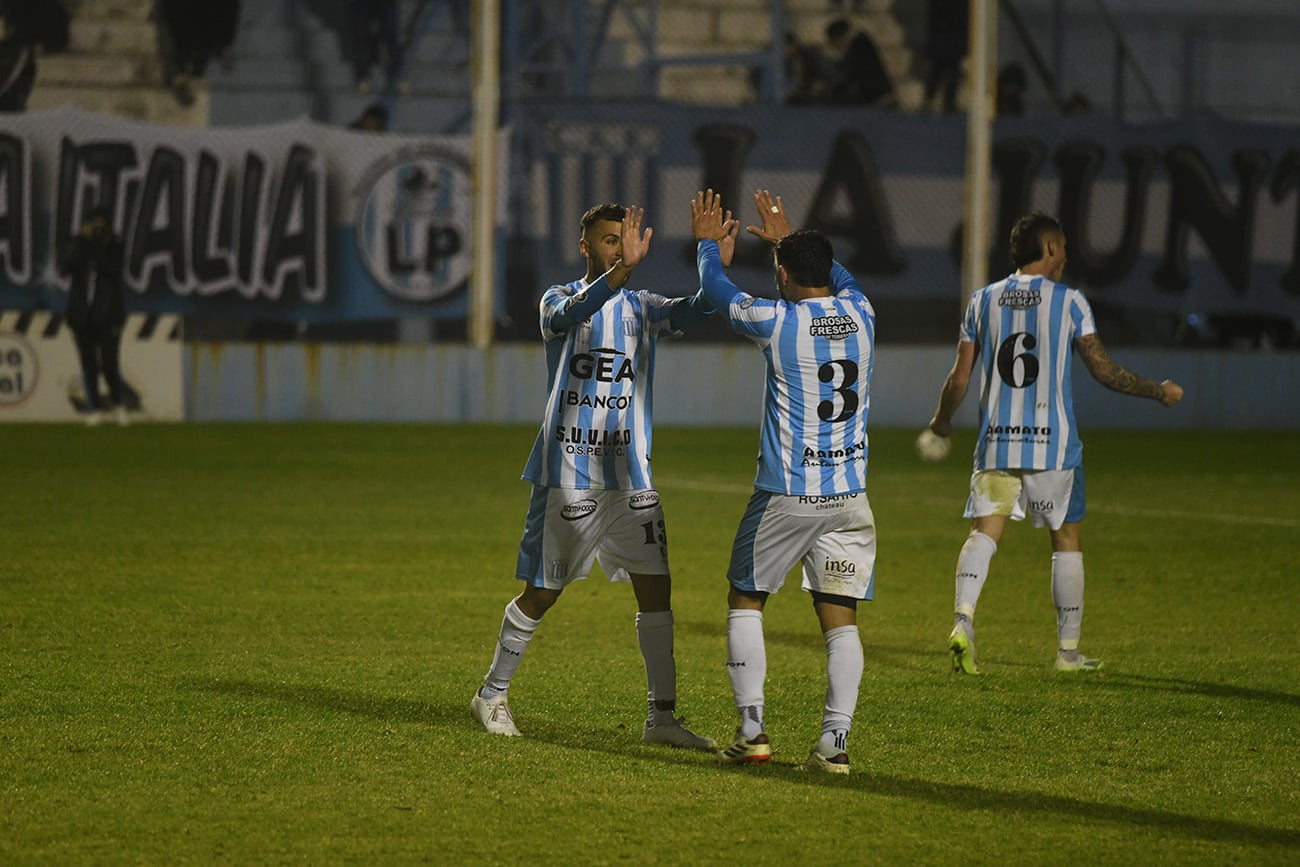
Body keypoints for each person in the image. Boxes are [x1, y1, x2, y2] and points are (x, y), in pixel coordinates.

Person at [470, 202, 723, 752]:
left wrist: (714, 264)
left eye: (622, 239)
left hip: (630, 476)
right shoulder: (558, 301)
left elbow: (698, 310)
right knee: (543, 590)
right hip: (571, 472)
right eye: (607, 240)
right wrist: (619, 274)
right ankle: (491, 693)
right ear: (586, 246)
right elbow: (572, 314)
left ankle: (661, 718)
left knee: (657, 590)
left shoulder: (643, 307)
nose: (616, 247)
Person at [927, 212, 1184, 675]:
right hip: (1054, 446)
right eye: (1063, 247)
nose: (1065, 256)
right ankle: (1067, 652)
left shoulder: (982, 301)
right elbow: (1103, 371)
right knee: (1066, 540)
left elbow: (960, 378)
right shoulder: (1069, 302)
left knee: (984, 533)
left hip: (997, 444)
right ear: (1049, 249)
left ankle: (963, 620)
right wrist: (1157, 392)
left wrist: (942, 420)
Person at [692, 189, 878, 776]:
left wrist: (705, 246)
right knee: (839, 617)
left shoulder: (778, 323)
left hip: (787, 494)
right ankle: (835, 744)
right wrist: (787, 241)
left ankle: (752, 733)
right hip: (850, 497)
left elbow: (718, 294)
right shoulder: (863, 313)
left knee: (746, 599)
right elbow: (839, 276)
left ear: (781, 274)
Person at [59, 207, 129, 426]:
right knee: (88, 363)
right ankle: (94, 407)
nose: (97, 229)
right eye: (93, 225)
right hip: (82, 315)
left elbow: (112, 268)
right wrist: (83, 241)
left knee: (109, 363)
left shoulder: (114, 245)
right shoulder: (78, 244)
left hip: (108, 315)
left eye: (101, 225)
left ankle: (118, 404)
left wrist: (100, 243)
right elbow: (66, 266)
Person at [822, 17, 895, 107]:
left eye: (833, 42)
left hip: (876, 97)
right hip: (875, 95)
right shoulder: (859, 42)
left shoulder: (858, 45)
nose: (836, 47)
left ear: (838, 37)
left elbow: (852, 73)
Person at [924, 0, 968, 114]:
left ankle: (947, 101)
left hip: (953, 38)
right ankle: (932, 100)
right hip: (945, 37)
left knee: (951, 71)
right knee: (938, 70)